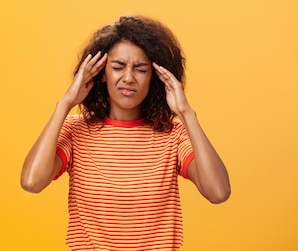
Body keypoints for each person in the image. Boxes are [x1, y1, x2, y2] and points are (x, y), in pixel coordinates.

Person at [20, 15, 231, 250]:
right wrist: (65, 103)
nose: (128, 78)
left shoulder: (173, 134)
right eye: (118, 67)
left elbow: (218, 192)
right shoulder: (74, 131)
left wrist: (186, 113)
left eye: (140, 69)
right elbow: (32, 182)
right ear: (101, 72)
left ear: (155, 76)